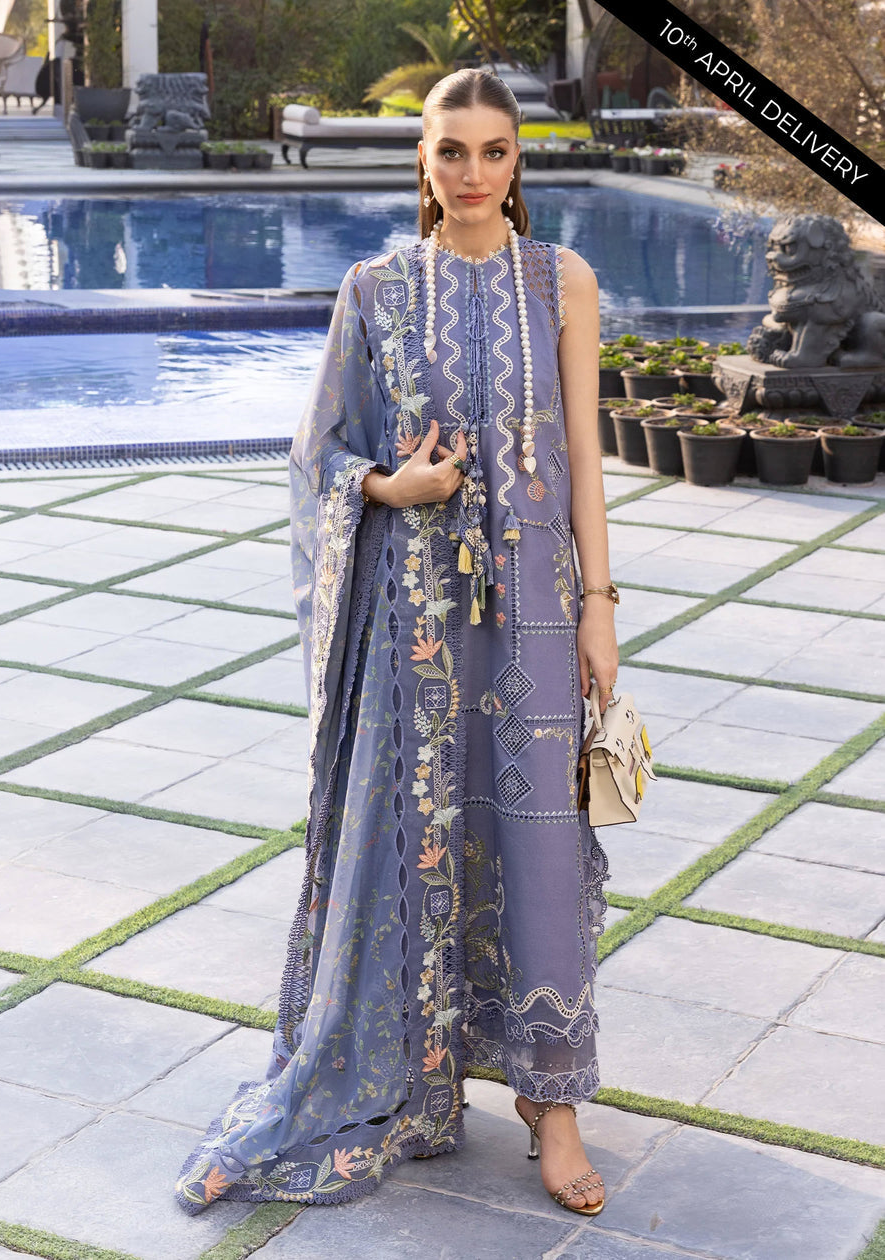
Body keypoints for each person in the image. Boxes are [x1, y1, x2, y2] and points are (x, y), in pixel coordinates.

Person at [175, 67, 618, 1219]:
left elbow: (582, 452)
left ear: (518, 163)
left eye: (494, 151)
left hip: (532, 606)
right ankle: (421, 1075)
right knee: (416, 834)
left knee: (538, 843)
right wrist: (388, 485)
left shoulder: (562, 282)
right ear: (422, 160)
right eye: (451, 150)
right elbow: (315, 453)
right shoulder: (375, 290)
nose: (472, 173)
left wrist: (599, 606)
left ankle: (552, 1103)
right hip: (412, 618)